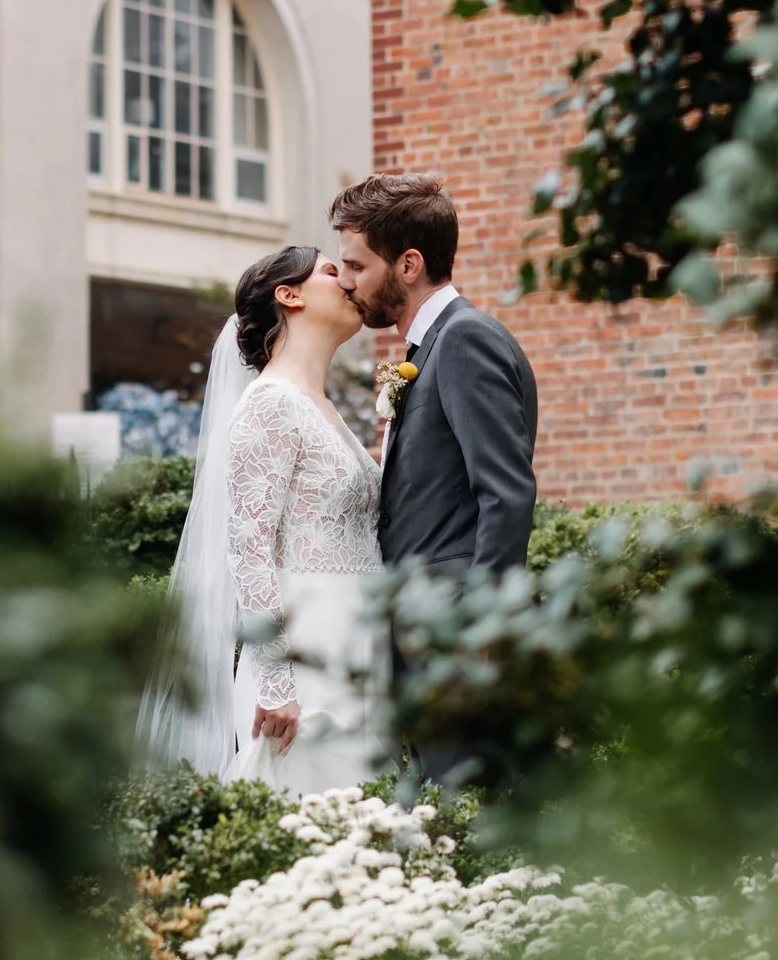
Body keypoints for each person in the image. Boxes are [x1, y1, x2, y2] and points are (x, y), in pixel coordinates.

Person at [135, 246, 392, 790]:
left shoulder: (322, 407)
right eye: (330, 271)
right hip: (302, 653)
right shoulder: (269, 404)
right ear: (289, 294)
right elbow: (248, 549)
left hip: (355, 639)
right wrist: (276, 681)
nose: (347, 281)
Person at [330, 175, 539, 785]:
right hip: (422, 639)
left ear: (409, 264)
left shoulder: (465, 340)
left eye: (355, 265)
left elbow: (506, 493)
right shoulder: (428, 350)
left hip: (454, 642)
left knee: (472, 821)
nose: (346, 281)